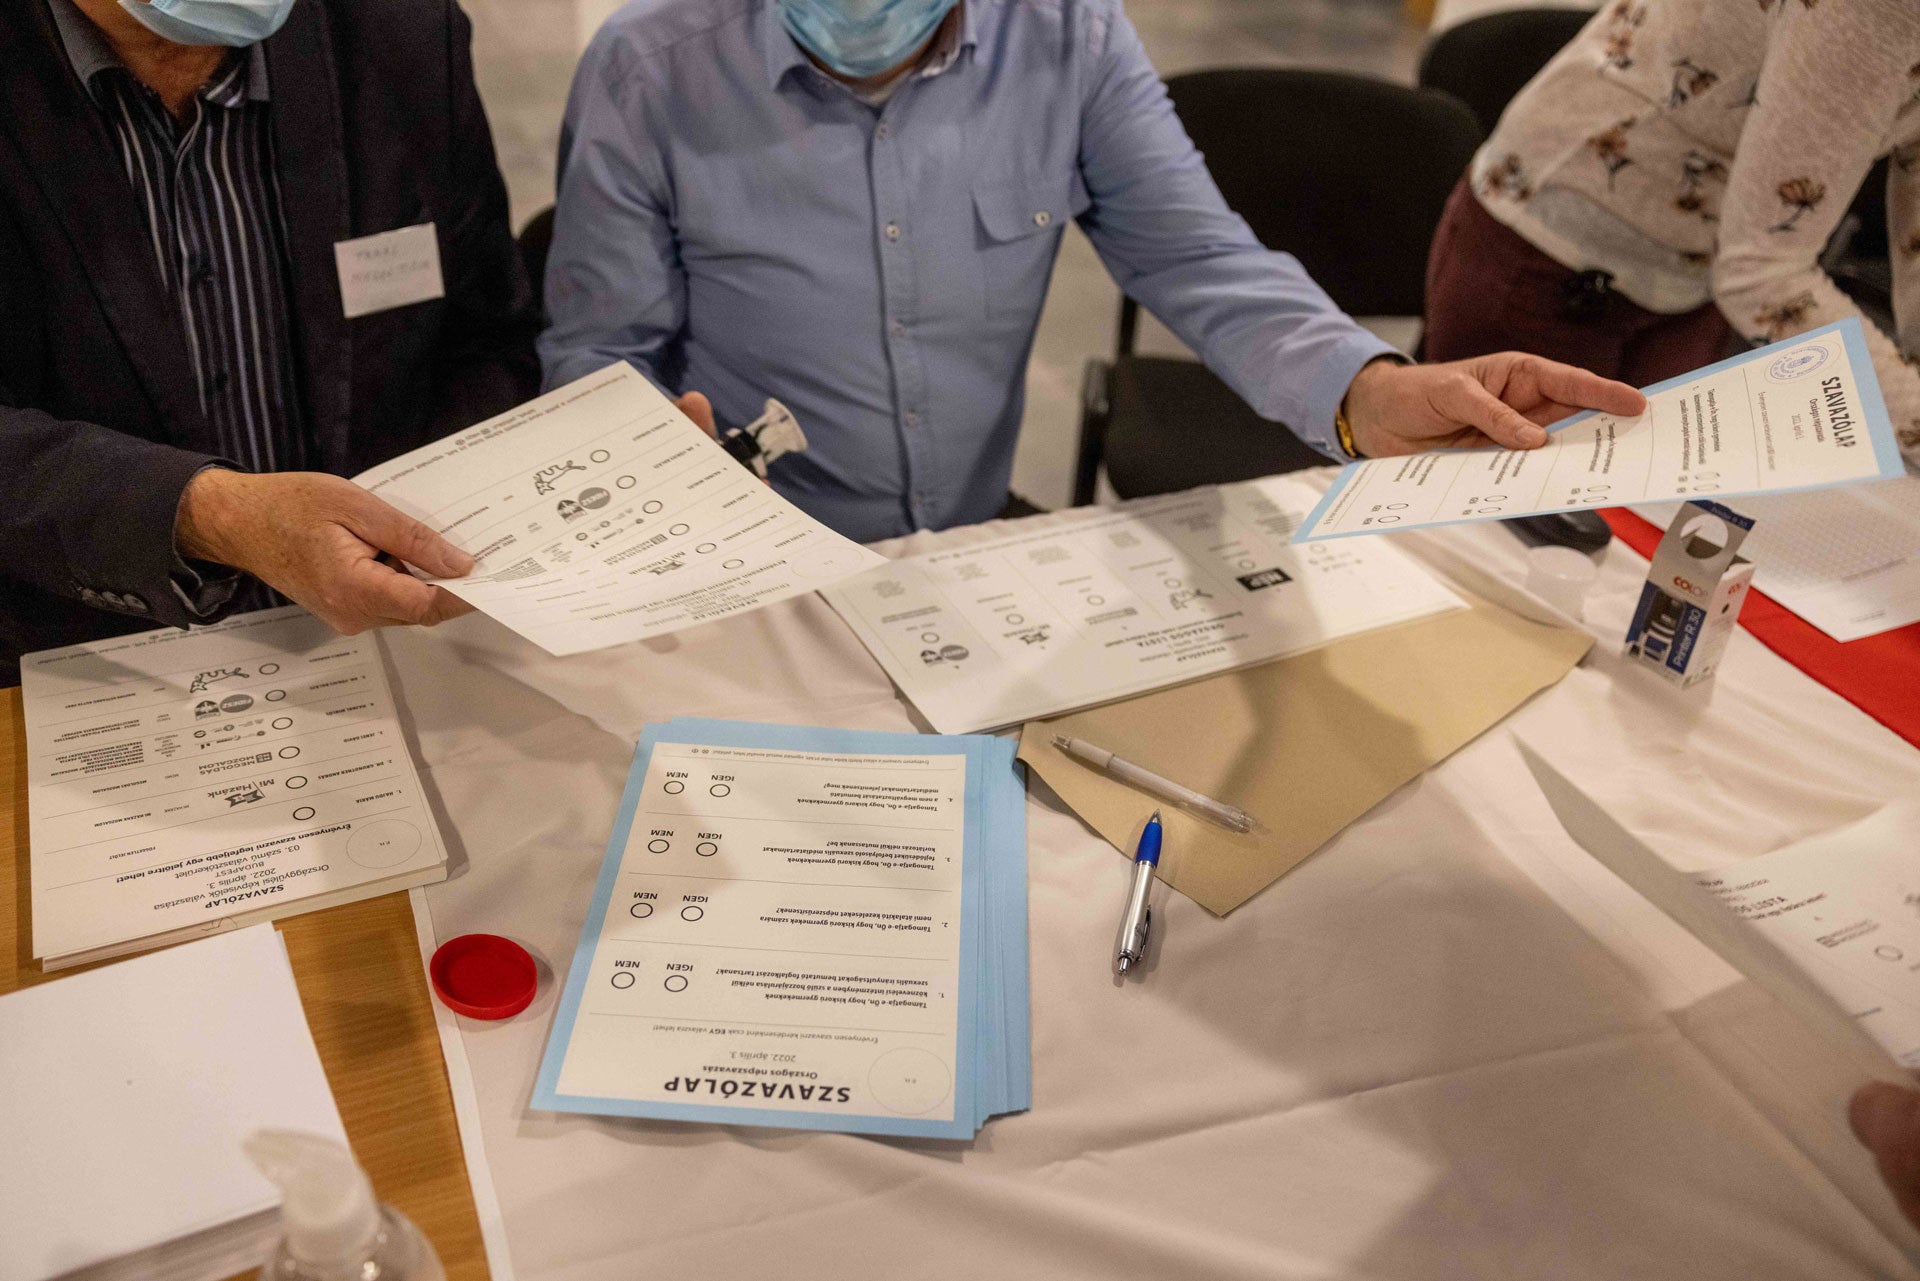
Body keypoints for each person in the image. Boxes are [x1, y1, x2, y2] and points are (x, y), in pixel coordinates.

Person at [539, 0, 1648, 544]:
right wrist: (641, 465)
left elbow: (1195, 251)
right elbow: (599, 352)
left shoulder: (1065, 35)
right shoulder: (651, 71)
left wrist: (1365, 391)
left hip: (969, 547)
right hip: (754, 559)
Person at [0, 0, 551, 683]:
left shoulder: (401, 35)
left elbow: (487, 337)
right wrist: (215, 516)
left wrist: (558, 464)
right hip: (85, 666)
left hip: (395, 652)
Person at [1425, 0, 1920, 468]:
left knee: (1647, 513)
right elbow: (1761, 275)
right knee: (1496, 521)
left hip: (1697, 268)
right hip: (1550, 251)